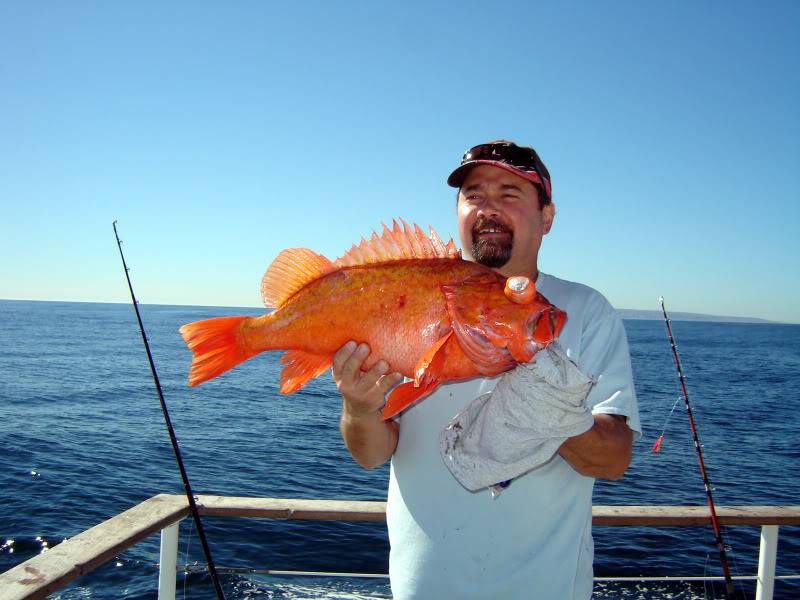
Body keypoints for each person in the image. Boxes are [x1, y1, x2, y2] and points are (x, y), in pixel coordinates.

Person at [333, 140, 641, 599]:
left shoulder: (583, 311)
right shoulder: (410, 294)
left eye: (509, 194)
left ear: (547, 216)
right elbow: (371, 454)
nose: (488, 208)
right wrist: (358, 409)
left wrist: (551, 412)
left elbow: (614, 460)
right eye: (473, 195)